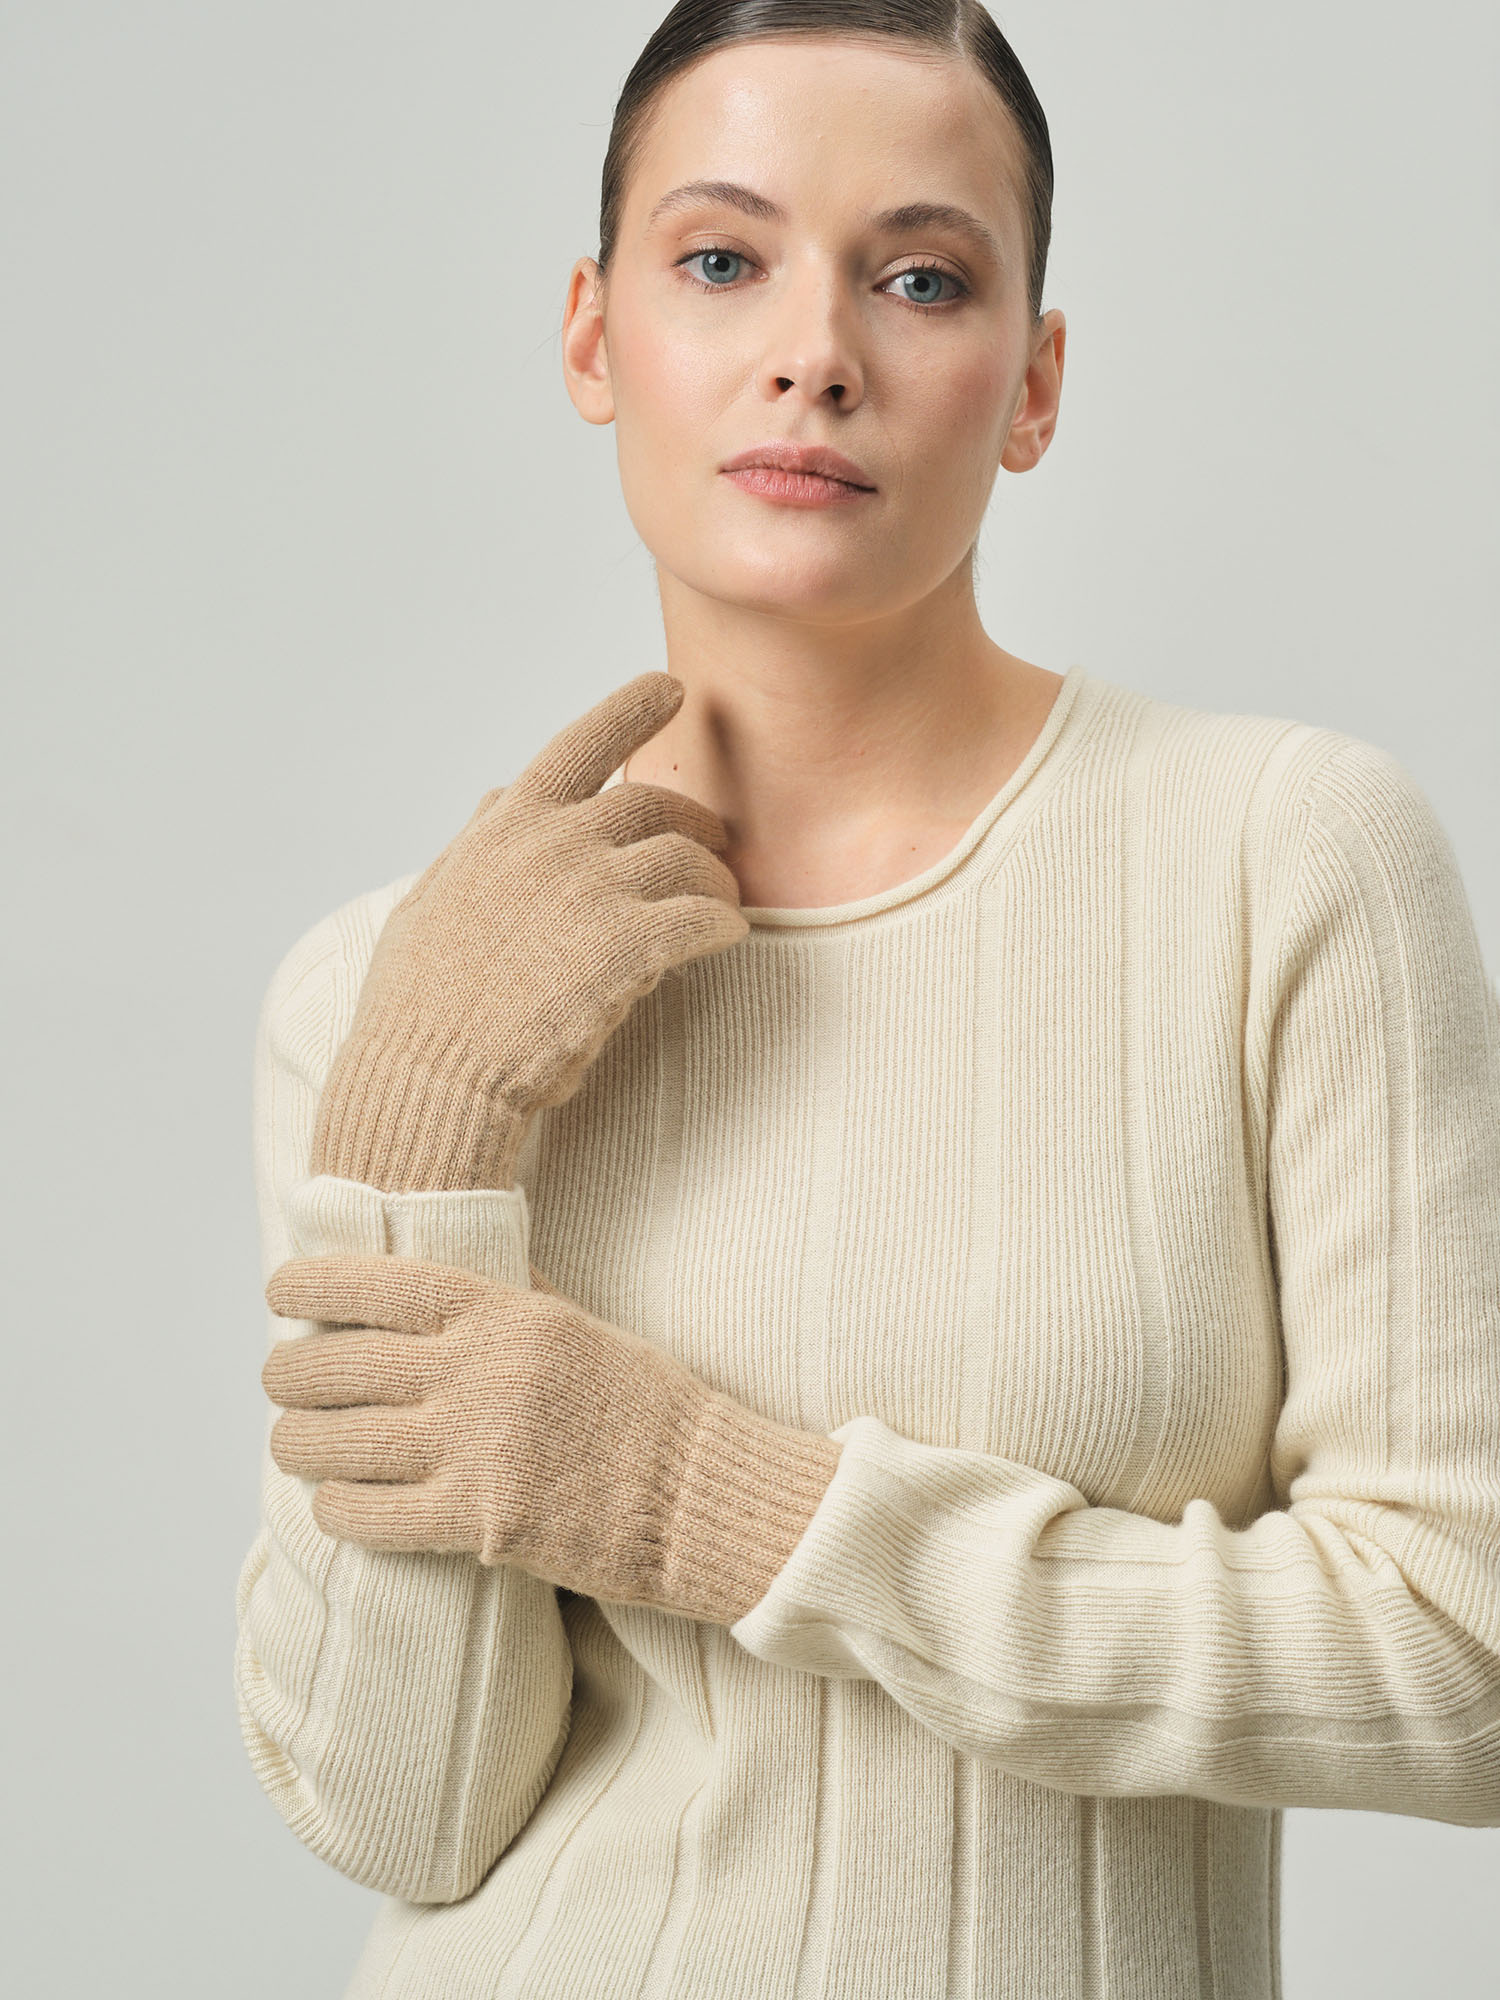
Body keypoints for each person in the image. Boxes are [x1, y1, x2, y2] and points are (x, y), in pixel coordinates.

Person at [234, 4, 1500, 1996]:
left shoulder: (1286, 862)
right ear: (593, 338)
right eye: (720, 259)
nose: (814, 351)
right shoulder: (383, 991)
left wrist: (709, 1501)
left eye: (920, 279)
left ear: (1033, 384)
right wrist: (422, 1121)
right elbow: (400, 1814)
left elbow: (1460, 1656)